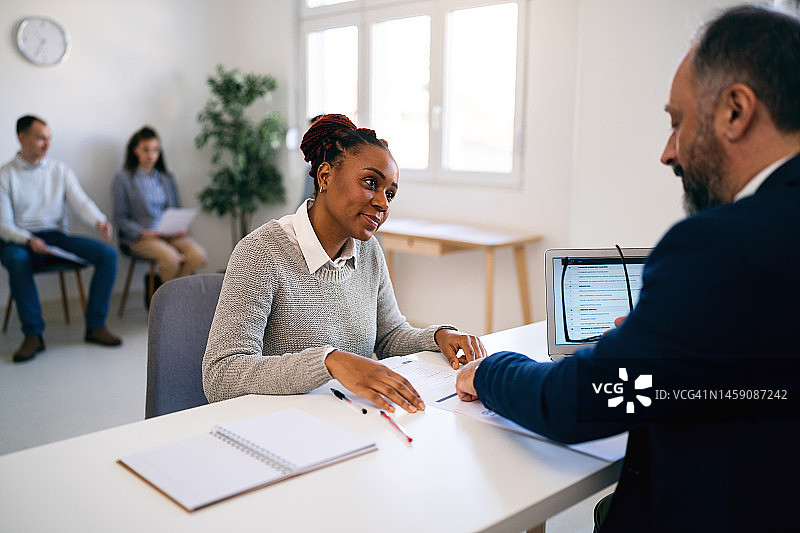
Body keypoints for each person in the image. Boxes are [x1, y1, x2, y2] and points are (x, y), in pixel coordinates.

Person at [456, 5, 800, 532]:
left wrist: (489, 369)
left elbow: (576, 401)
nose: (668, 152)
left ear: (735, 110)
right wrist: (654, 344)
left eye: (678, 121)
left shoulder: (720, 247)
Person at [204, 114, 486, 412]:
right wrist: (329, 362)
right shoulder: (262, 252)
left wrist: (440, 336)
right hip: (282, 427)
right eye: (370, 182)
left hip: (350, 421)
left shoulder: (368, 252)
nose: (383, 203)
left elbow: (389, 335)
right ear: (325, 177)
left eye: (390, 193)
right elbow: (221, 374)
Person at [0, 115, 121, 363]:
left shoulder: (59, 170)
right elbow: (3, 225)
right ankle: (33, 335)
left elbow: (81, 201)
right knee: (17, 260)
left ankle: (95, 326)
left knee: (108, 254)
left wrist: (99, 220)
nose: (47, 144)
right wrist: (28, 240)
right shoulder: (5, 175)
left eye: (49, 138)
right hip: (20, 241)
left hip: (54, 237)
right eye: (41, 138)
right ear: (22, 138)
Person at [112, 126, 206, 289]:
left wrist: (181, 227)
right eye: (146, 150)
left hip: (170, 233)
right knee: (170, 259)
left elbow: (175, 209)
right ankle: (171, 302)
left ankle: (165, 292)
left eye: (155, 150)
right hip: (142, 237)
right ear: (136, 150)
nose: (151, 155)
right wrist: (142, 232)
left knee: (198, 256)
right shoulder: (124, 180)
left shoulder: (166, 178)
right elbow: (120, 218)